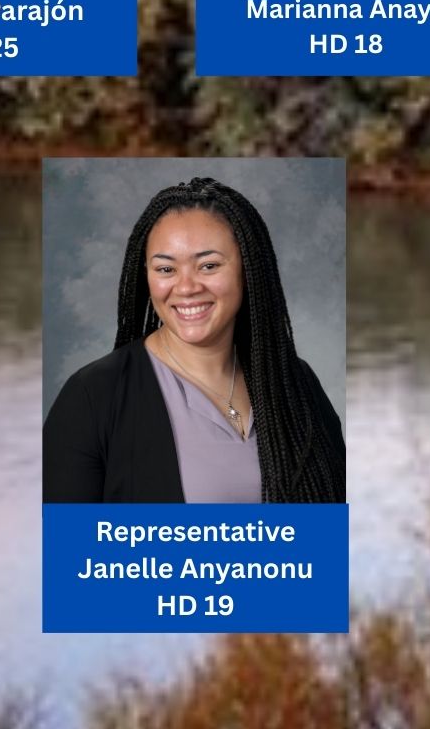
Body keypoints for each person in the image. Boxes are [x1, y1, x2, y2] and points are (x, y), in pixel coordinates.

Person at [43, 176, 345, 505]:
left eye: (209, 265)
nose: (186, 287)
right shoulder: (93, 397)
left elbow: (331, 543)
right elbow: (70, 554)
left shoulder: (294, 384)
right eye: (165, 269)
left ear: (248, 270)